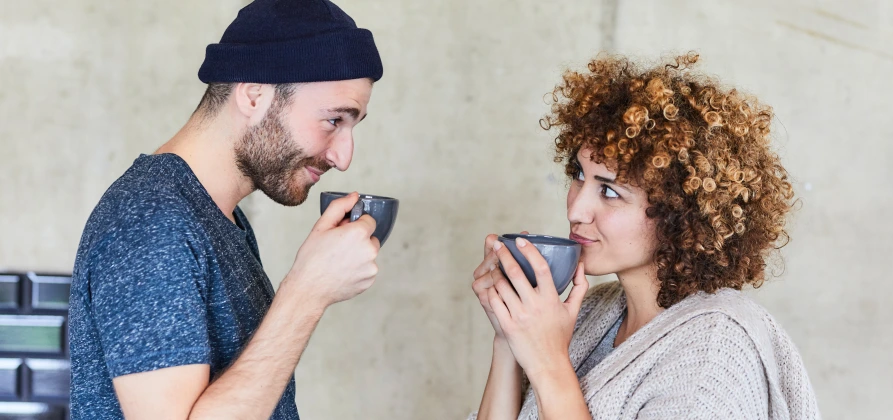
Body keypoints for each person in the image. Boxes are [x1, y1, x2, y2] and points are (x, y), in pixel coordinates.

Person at [68, 0, 384, 418]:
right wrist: (308, 291)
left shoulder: (217, 216)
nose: (343, 157)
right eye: (333, 121)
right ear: (254, 96)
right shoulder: (153, 224)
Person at [470, 53, 820, 419]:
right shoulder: (594, 310)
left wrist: (548, 364)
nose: (575, 211)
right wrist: (510, 336)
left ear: (679, 214)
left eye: (609, 191)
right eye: (579, 175)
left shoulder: (713, 355)